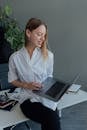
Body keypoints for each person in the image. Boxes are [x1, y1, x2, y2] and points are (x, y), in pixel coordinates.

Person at [8, 18, 61, 130]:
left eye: (44, 35)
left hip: (46, 97)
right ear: (28, 33)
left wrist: (55, 90)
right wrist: (26, 85)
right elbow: (12, 80)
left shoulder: (49, 55)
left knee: (52, 118)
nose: (42, 38)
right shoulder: (15, 58)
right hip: (28, 99)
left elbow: (49, 77)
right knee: (51, 118)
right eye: (39, 34)